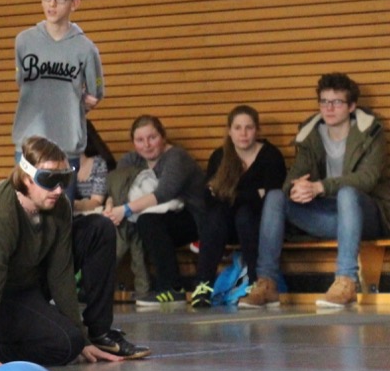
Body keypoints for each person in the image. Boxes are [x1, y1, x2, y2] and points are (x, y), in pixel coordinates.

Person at [0, 135, 149, 371]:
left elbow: (61, 273)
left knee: (99, 228)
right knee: (66, 344)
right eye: (49, 181)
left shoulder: (58, 205)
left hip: (25, 282)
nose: (59, 190)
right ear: (26, 178)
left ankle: (99, 334)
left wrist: (84, 338)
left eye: (64, 180)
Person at [241, 74, 390, 310]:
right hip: (329, 215)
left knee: (347, 194)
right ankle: (267, 283)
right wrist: (296, 189)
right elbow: (293, 177)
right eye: (324, 102)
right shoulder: (310, 135)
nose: (329, 108)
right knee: (276, 197)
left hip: (367, 214)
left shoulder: (371, 132)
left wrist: (320, 187)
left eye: (337, 102)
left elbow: (367, 179)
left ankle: (346, 281)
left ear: (352, 106)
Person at [11, 0, 106, 203]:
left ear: (75, 3)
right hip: (28, 144)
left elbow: (95, 93)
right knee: (25, 209)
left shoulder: (85, 48)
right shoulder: (24, 41)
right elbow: (22, 83)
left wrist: (73, 105)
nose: (52, 4)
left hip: (66, 145)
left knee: (61, 213)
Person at [187, 106, 286, 308]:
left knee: (244, 214)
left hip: (260, 225)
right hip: (225, 225)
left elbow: (271, 198)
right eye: (238, 128)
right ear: (229, 131)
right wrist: (251, 194)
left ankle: (254, 281)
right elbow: (209, 198)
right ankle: (203, 285)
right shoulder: (220, 156)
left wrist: (229, 194)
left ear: (257, 130)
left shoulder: (271, 156)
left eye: (249, 128)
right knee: (215, 216)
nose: (243, 133)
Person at [106, 115, 206, 308]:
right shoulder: (131, 160)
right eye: (140, 140)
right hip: (156, 216)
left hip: (192, 217)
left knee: (148, 221)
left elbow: (163, 194)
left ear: (163, 137)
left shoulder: (176, 157)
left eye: (152, 138)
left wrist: (125, 209)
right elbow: (116, 188)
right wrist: (111, 208)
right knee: (128, 223)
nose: (146, 145)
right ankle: (96, 284)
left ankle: (171, 287)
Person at [73, 120, 114, 215]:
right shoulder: (59, 163)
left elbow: (96, 202)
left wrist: (72, 205)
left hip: (92, 215)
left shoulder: (98, 163)